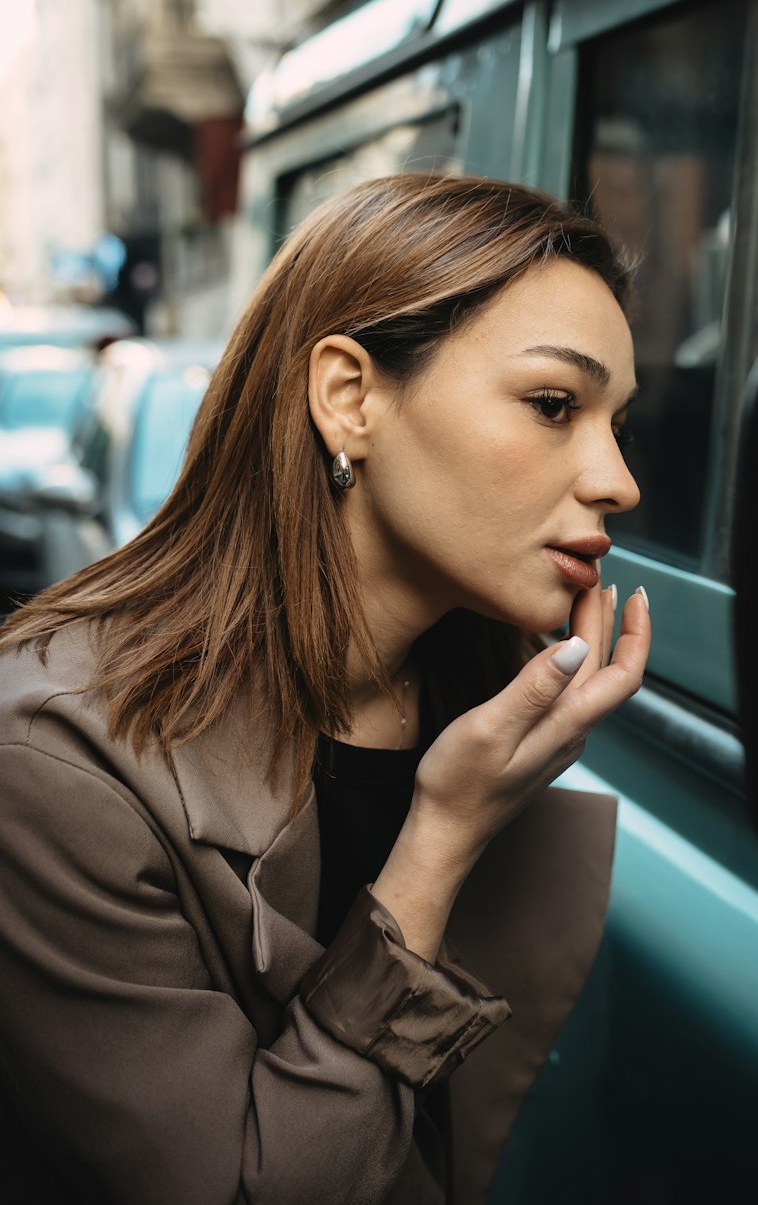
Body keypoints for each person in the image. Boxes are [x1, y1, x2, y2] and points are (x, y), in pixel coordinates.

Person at [0, 173, 650, 1205]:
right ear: (349, 397)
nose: (618, 480)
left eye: (615, 422)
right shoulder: (58, 755)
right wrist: (438, 840)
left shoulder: (486, 687)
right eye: (552, 406)